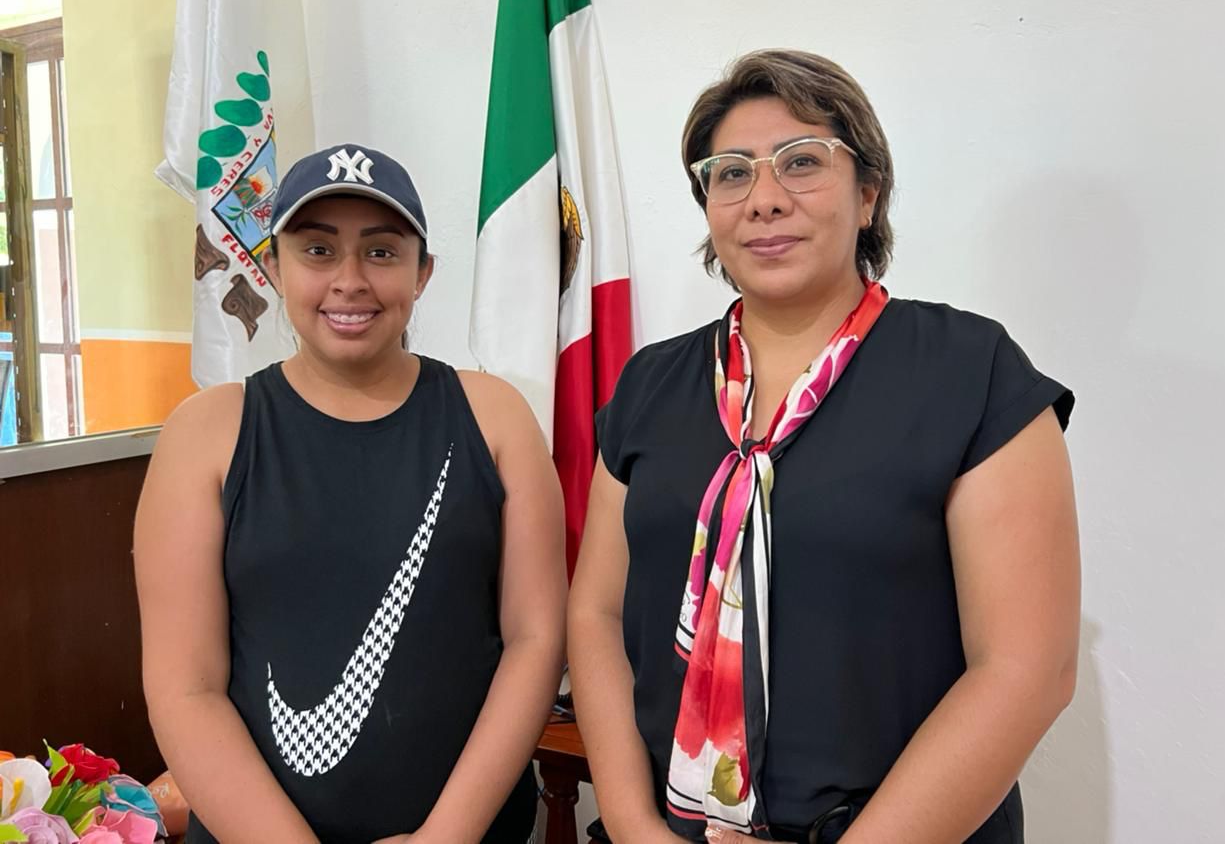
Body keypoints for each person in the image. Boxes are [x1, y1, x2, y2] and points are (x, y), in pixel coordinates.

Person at [568, 50, 1079, 844]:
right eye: (731, 173)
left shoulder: (970, 372)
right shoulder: (649, 386)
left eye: (802, 162)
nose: (765, 198)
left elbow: (1027, 670)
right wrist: (635, 826)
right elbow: (597, 613)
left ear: (867, 193)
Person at [135, 144, 566, 843]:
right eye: (317, 250)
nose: (350, 281)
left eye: (381, 252)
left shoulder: (494, 417)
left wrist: (444, 838)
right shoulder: (206, 434)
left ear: (423, 272)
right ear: (273, 267)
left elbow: (536, 639)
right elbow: (187, 688)